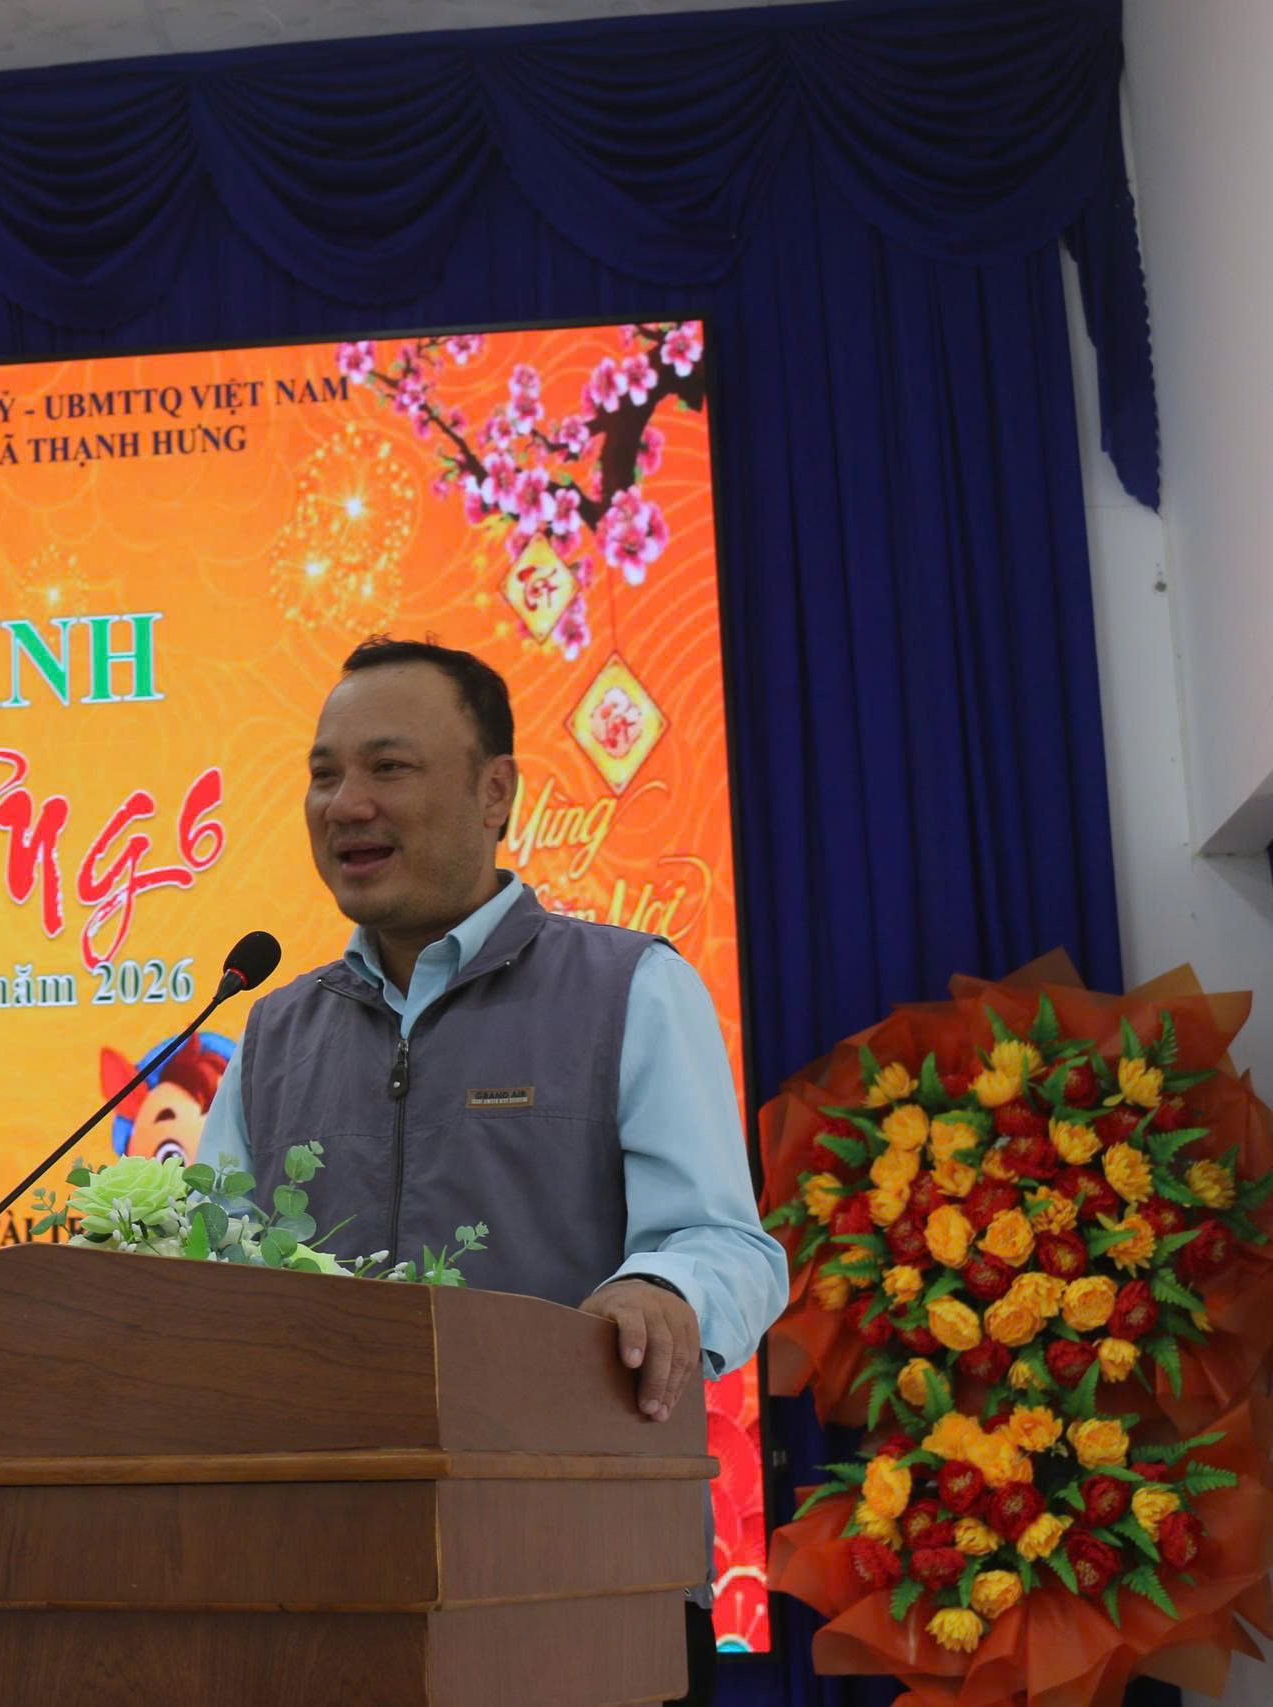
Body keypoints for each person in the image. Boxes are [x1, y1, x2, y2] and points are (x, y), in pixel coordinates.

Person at [194, 636, 787, 1707]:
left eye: (388, 767)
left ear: (494, 792)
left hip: (586, 1586)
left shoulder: (630, 987)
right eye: (324, 775)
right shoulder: (270, 1034)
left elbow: (731, 1249)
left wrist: (662, 1287)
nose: (345, 804)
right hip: (319, 1589)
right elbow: (203, 1288)